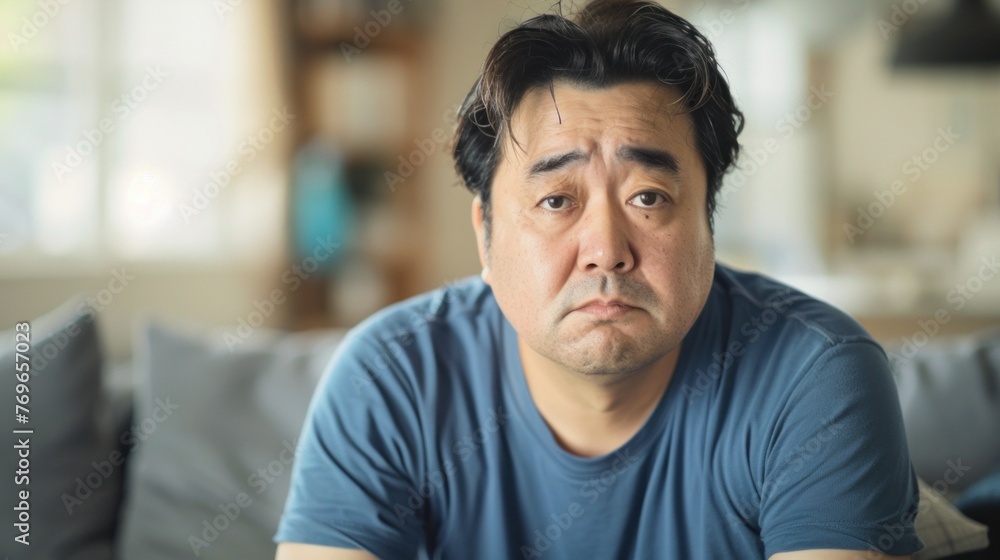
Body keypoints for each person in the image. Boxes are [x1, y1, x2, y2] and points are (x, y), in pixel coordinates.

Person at [274, 1, 922, 558]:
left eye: (649, 197)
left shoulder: (813, 376)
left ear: (708, 221)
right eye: (557, 200)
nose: (607, 251)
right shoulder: (389, 377)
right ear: (486, 233)